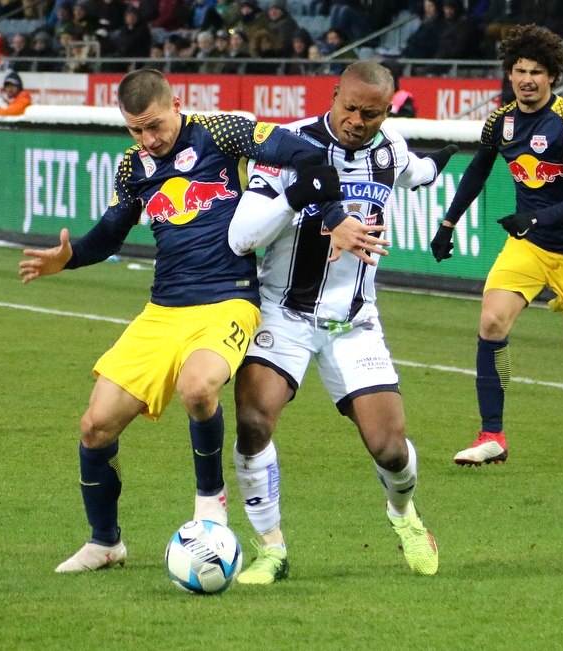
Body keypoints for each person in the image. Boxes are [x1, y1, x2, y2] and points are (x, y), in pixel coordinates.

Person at [18, 68, 358, 573]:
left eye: (154, 126)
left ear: (176, 103)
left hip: (229, 300)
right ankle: (105, 542)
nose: (147, 140)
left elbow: (305, 154)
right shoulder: (134, 165)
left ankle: (209, 499)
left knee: (198, 389)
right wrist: (65, 259)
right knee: (94, 427)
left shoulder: (222, 132)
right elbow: (110, 235)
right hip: (163, 311)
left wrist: (332, 217)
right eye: (135, 129)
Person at [227, 61, 459, 584]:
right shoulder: (285, 147)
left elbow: (415, 171)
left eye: (371, 114)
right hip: (283, 313)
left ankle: (404, 515)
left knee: (391, 450)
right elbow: (242, 237)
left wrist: (439, 163)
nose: (357, 120)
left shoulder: (390, 149)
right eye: (349, 107)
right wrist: (300, 200)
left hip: (354, 323)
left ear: (387, 112)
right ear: (333, 95)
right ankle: (271, 550)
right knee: (252, 423)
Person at [430, 24, 563, 466]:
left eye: (536, 72)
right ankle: (493, 436)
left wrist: (536, 216)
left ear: (553, 77)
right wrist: (448, 222)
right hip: (528, 246)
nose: (527, 79)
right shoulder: (501, 121)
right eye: (519, 70)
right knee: (491, 322)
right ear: (509, 74)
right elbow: (478, 170)